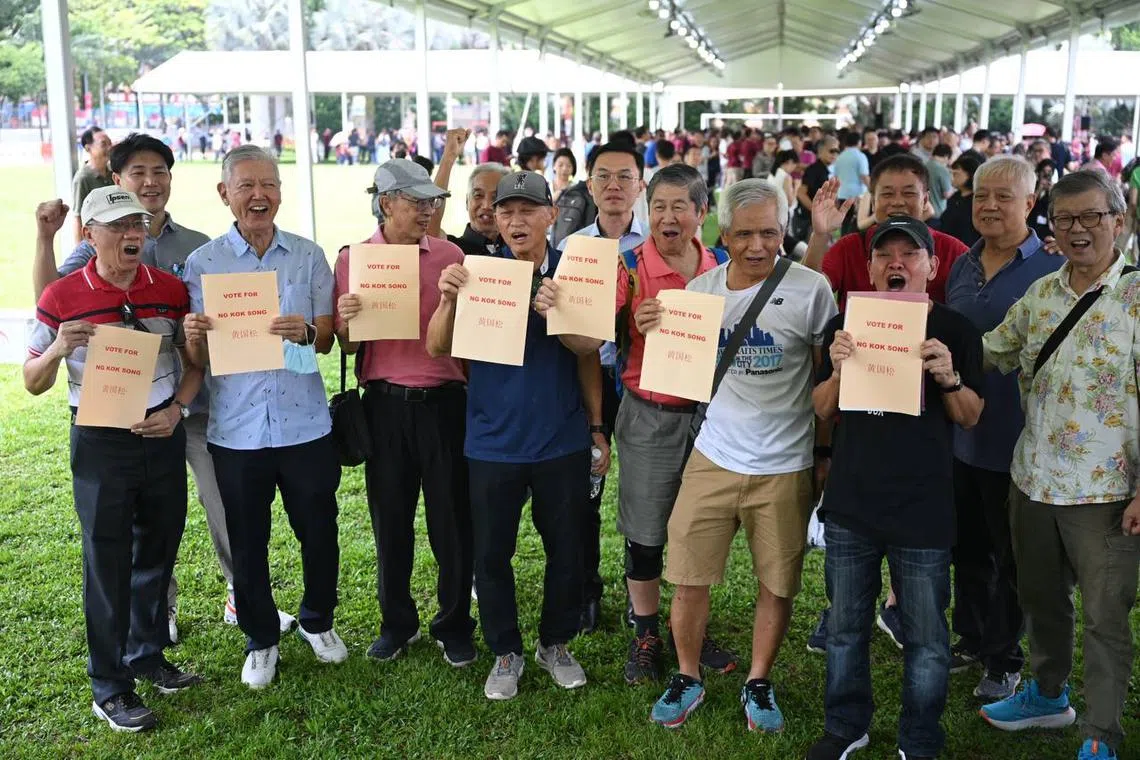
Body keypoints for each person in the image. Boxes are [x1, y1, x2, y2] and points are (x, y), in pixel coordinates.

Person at [30, 133, 292, 642]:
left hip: (200, 406)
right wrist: (44, 240)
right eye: (138, 173)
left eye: (160, 172)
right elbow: (52, 303)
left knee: (224, 508)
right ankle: (157, 612)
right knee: (144, 524)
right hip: (126, 414)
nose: (150, 182)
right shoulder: (96, 240)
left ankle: (243, 597)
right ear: (116, 182)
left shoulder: (195, 245)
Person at [643, 180, 837, 731]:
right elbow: (680, 374)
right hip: (714, 455)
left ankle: (758, 681)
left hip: (786, 462)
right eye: (745, 233)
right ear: (722, 233)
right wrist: (652, 333)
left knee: (776, 582)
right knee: (688, 575)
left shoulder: (812, 290)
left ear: (785, 234)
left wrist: (823, 455)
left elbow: (827, 379)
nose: (757, 246)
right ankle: (687, 675)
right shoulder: (700, 293)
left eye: (770, 233)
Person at [545, 163, 737, 680]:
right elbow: (585, 343)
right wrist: (574, 311)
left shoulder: (723, 264)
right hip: (651, 416)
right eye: (658, 207)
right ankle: (647, 632)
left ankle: (689, 627)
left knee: (697, 531)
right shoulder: (627, 266)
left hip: (714, 419)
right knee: (647, 532)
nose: (667, 217)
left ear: (702, 214)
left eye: (680, 207)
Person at [24, 187, 205, 732]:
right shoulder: (60, 296)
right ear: (89, 233)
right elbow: (32, 381)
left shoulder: (171, 290)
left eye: (139, 224)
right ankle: (110, 684)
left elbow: (194, 363)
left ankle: (147, 656)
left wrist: (177, 411)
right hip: (101, 438)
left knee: (159, 545)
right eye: (118, 225)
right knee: (106, 561)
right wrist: (58, 347)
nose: (133, 234)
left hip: (161, 431)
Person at [806, 216, 985, 760]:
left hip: (923, 507)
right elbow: (820, 408)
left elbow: (971, 416)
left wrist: (949, 377)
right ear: (870, 267)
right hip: (852, 504)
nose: (897, 264)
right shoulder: (846, 323)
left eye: (911, 255)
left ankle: (921, 738)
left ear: (932, 268)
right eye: (886, 255)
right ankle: (846, 726)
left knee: (928, 639)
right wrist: (836, 371)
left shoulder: (955, 330)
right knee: (844, 628)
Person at [426, 171, 608, 701]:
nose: (515, 220)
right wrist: (447, 300)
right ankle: (506, 650)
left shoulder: (575, 273)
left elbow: (588, 351)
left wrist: (597, 427)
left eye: (528, 210)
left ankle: (556, 643)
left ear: (552, 215)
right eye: (507, 211)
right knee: (491, 553)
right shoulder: (480, 274)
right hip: (492, 442)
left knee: (567, 550)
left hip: (561, 439)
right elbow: (438, 347)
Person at [979, 170, 1140, 760]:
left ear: (1118, 223)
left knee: (1104, 619)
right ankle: (1048, 695)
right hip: (1034, 479)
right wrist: (911, 346)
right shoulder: (1043, 294)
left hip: (1107, 492)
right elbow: (992, 353)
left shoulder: (1136, 299)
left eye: (1092, 217)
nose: (1077, 230)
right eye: (1065, 218)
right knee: (1040, 597)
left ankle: (1101, 734)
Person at [182, 145, 347, 689]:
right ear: (225, 193)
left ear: (280, 191)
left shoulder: (307, 255)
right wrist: (195, 340)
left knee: (319, 530)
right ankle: (261, 638)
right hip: (237, 429)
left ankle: (318, 619)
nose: (260, 196)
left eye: (269, 185)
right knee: (247, 540)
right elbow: (199, 361)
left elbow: (326, 339)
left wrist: (306, 331)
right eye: (247, 186)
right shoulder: (204, 264)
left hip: (305, 425)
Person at [333, 160, 476, 668]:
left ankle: (455, 624)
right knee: (390, 523)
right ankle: (397, 623)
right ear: (386, 202)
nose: (427, 210)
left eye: (432, 202)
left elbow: (468, 338)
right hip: (385, 407)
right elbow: (349, 346)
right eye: (416, 201)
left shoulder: (451, 255)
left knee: (452, 523)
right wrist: (347, 322)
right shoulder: (354, 259)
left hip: (445, 406)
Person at [945, 157, 1063, 703]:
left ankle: (1005, 657)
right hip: (957, 437)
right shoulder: (960, 265)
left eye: (1003, 197)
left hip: (1018, 441)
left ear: (1030, 204)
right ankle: (970, 637)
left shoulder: (1052, 273)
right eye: (981, 196)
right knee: (965, 547)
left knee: (1011, 557)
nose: (989, 206)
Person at [557, 141, 647, 634]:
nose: (614, 186)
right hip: (588, 380)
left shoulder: (656, 244)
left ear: (640, 184)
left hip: (643, 384)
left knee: (643, 493)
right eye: (604, 177)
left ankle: (641, 592)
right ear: (589, 186)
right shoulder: (574, 248)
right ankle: (587, 589)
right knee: (584, 490)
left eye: (624, 177)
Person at [445, 163, 510, 257]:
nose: (487, 205)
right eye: (478, 195)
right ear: (467, 202)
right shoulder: (450, 249)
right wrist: (448, 159)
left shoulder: (518, 250)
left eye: (496, 197)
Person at [72, 127, 115, 243]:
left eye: (110, 144)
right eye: (103, 144)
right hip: (96, 241)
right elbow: (78, 217)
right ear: (88, 148)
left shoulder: (115, 173)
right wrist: (80, 251)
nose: (109, 148)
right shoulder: (83, 178)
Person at [940, 154, 983, 247]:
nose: (952, 177)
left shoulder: (978, 201)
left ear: (970, 175)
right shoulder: (955, 197)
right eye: (951, 173)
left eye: (956, 174)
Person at [833, 132, 870, 235]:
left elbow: (835, 177)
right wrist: (873, 190)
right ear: (859, 142)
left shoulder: (839, 157)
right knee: (857, 225)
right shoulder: (860, 156)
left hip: (842, 195)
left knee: (845, 223)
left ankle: (843, 245)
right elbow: (864, 176)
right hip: (858, 197)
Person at [925, 144, 954, 221]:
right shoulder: (943, 170)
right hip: (938, 214)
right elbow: (947, 194)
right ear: (946, 156)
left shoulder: (924, 165)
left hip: (924, 213)